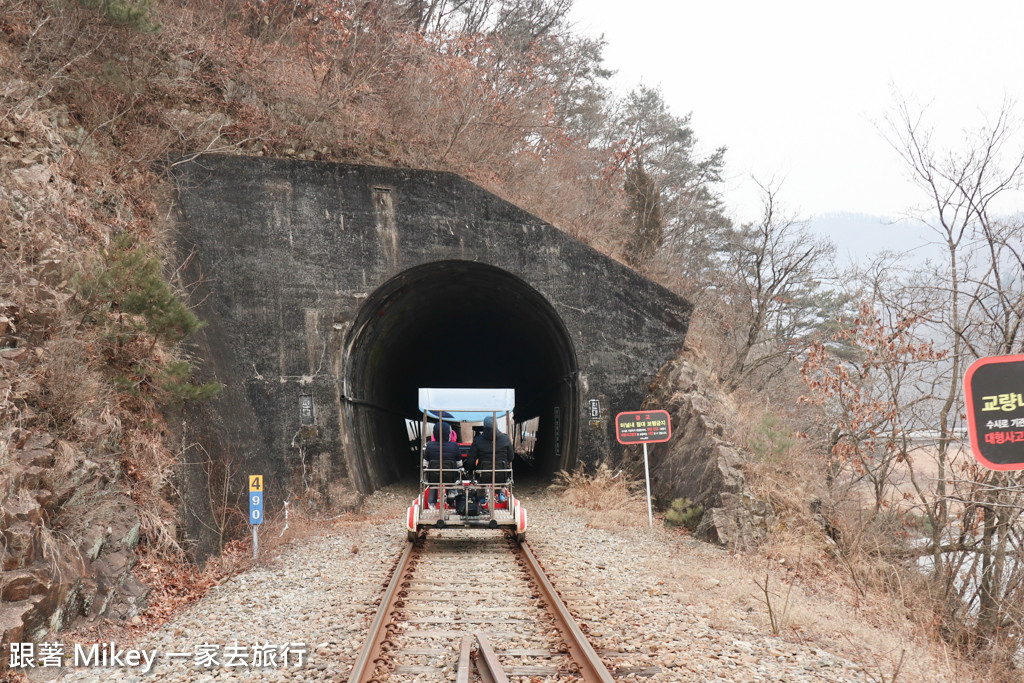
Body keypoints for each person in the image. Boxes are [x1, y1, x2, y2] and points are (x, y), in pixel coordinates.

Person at [424, 421, 462, 506]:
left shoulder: (429, 445)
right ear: (448, 434)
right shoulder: (454, 446)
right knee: (451, 472)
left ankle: (431, 502)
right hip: (451, 478)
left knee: (432, 478)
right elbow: (459, 463)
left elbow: (425, 463)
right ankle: (451, 497)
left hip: (434, 477)